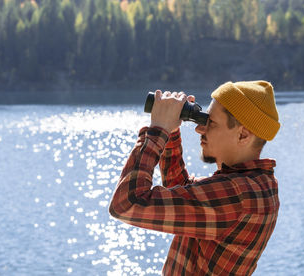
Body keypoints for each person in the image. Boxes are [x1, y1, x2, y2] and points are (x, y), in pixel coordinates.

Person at [109, 80, 280, 275]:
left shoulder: (238, 195)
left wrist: (158, 131)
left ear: (243, 135)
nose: (199, 129)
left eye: (211, 123)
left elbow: (126, 204)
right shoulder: (254, 185)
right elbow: (180, 190)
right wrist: (172, 132)